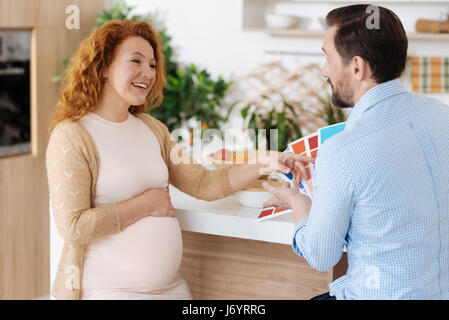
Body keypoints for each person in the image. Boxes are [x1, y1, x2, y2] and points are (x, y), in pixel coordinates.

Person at [46, 19, 312, 300]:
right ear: (104, 66)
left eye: (152, 64)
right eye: (136, 61)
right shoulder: (72, 136)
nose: (147, 73)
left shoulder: (152, 129)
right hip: (111, 292)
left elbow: (203, 183)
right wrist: (146, 204)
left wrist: (267, 161)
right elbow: (73, 227)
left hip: (173, 290)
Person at [263, 4, 449, 299]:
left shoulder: (343, 150)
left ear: (357, 67)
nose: (324, 71)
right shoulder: (442, 115)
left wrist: (298, 202)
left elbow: (321, 256)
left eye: (327, 56)